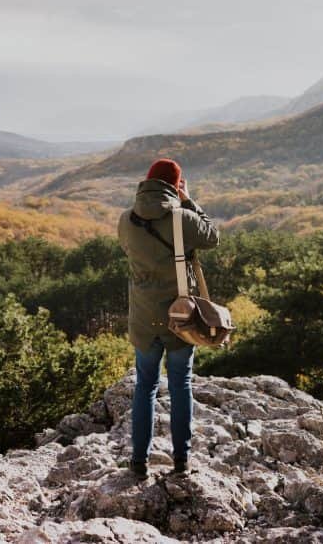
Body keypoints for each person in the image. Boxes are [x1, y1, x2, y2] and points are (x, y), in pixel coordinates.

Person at [117, 158, 219, 477]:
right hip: (181, 318)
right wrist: (189, 200)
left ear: (146, 183)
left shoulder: (126, 220)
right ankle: (181, 460)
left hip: (143, 318)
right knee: (180, 385)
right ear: (175, 185)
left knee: (145, 386)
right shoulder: (182, 218)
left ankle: (139, 462)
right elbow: (212, 237)